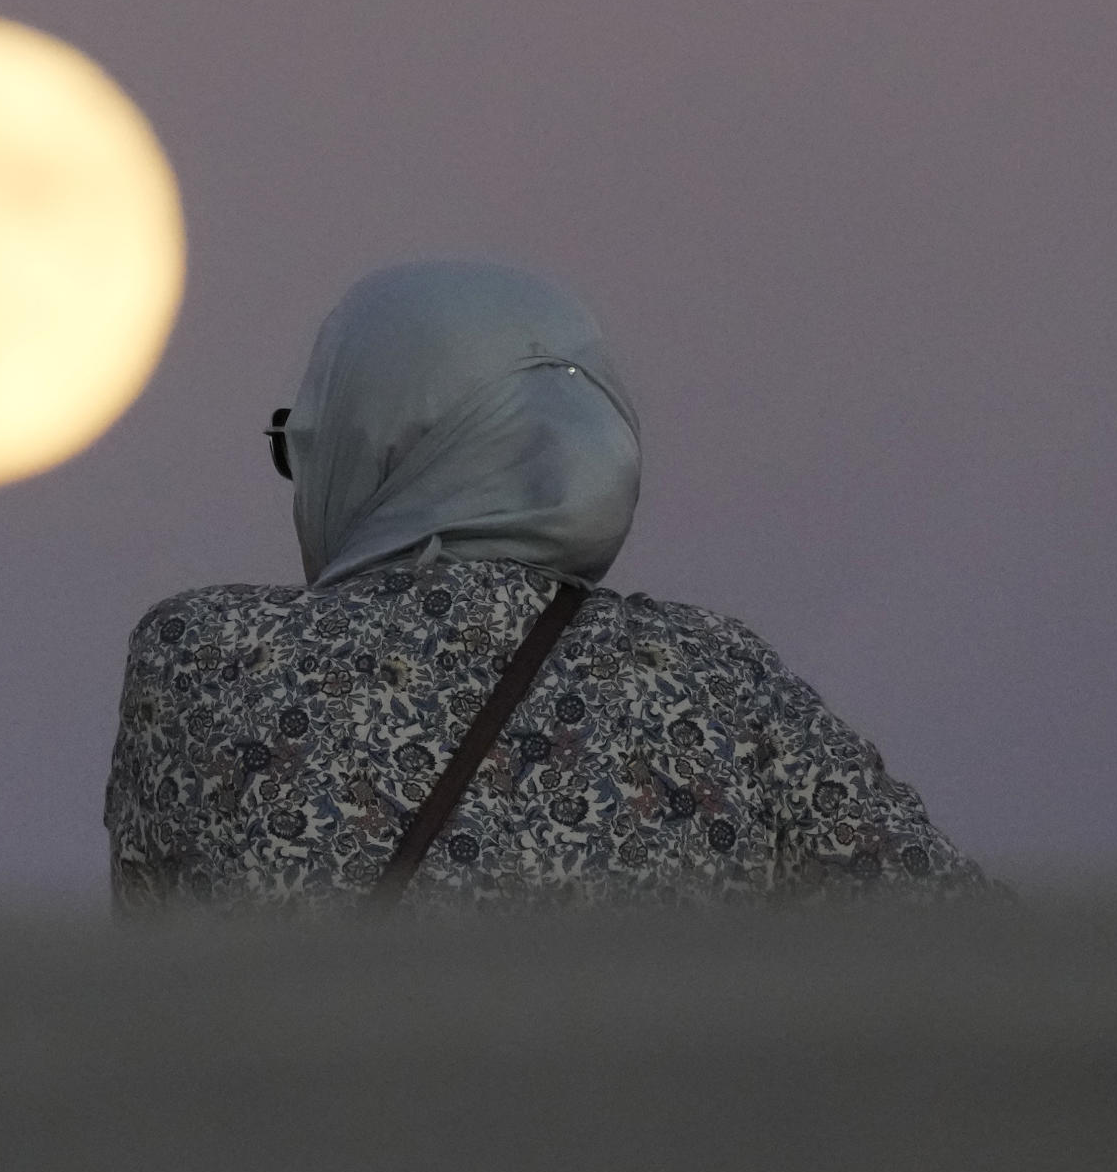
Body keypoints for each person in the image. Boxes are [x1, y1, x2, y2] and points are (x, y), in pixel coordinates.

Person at [105, 261, 987, 912]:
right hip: (635, 1153)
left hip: (340, 1150)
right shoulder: (716, 674)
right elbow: (959, 941)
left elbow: (164, 990)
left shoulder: (204, 655)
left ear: (366, 449)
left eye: (298, 450)